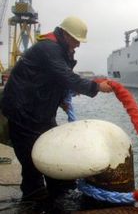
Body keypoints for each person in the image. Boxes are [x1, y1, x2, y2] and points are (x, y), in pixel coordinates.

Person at [1, 16, 113, 201]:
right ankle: (34, 199)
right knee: (31, 162)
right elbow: (64, 75)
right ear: (66, 34)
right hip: (22, 111)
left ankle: (59, 192)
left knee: (52, 151)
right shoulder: (49, 48)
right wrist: (96, 87)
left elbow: (52, 80)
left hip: (39, 111)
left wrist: (61, 99)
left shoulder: (59, 49)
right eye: (76, 39)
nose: (78, 44)